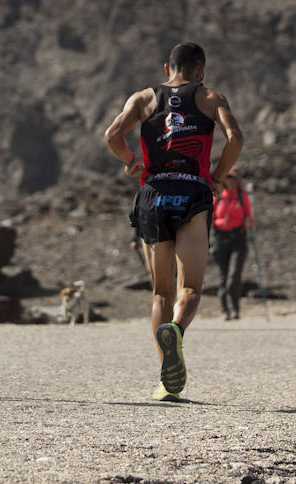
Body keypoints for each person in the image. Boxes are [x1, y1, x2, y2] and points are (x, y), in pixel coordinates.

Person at [103, 42, 243, 401]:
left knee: (160, 293)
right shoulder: (211, 98)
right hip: (193, 191)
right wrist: (217, 176)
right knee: (190, 288)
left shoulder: (142, 99)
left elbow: (112, 136)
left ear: (167, 68)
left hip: (154, 194)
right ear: (200, 70)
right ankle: (177, 331)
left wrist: (131, 160)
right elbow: (235, 139)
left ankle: (167, 379)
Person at [210, 166, 254, 320]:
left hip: (238, 239)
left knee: (234, 275)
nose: (231, 180)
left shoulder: (242, 196)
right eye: (228, 177)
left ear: (238, 180)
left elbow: (249, 217)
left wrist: (249, 222)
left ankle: (235, 308)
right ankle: (224, 309)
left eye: (233, 178)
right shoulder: (218, 197)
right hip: (220, 240)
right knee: (224, 276)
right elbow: (210, 218)